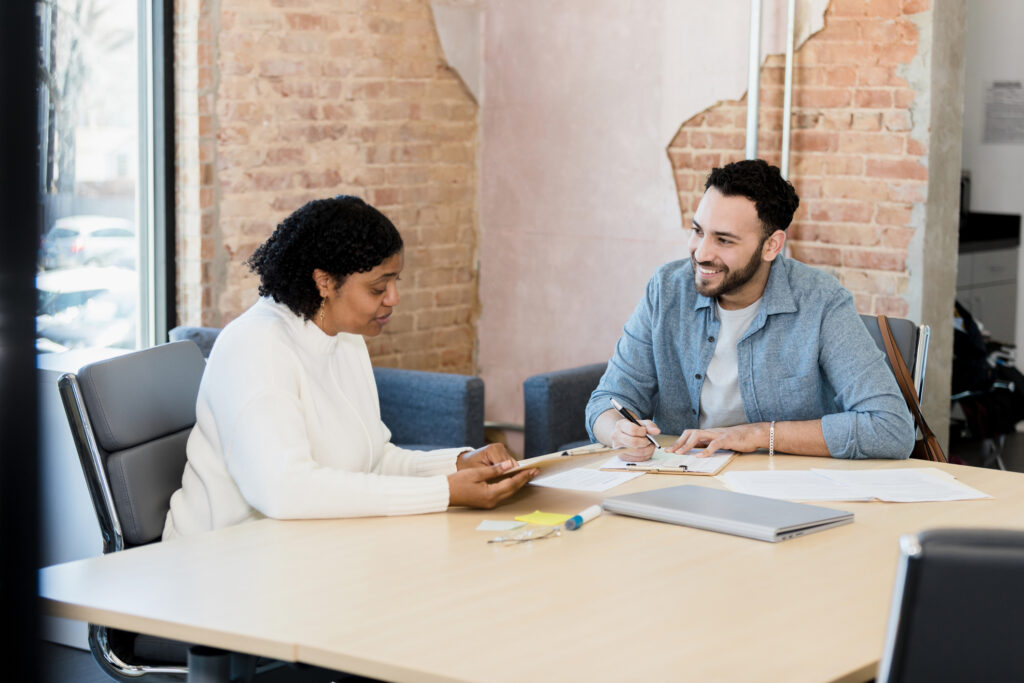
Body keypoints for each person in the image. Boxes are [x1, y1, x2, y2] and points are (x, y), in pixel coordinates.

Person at [164, 196, 538, 540]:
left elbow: (374, 460)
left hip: (304, 547)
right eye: (378, 288)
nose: (393, 298)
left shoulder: (346, 339)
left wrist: (457, 464)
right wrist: (444, 492)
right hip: (222, 561)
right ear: (324, 281)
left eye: (395, 281)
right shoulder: (256, 346)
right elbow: (284, 490)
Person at [586, 159, 915, 461]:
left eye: (724, 241)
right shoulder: (666, 289)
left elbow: (890, 428)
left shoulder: (821, 301)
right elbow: (607, 401)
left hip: (782, 491)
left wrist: (759, 434)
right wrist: (618, 431)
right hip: (681, 481)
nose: (701, 253)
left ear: (772, 245)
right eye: (698, 231)